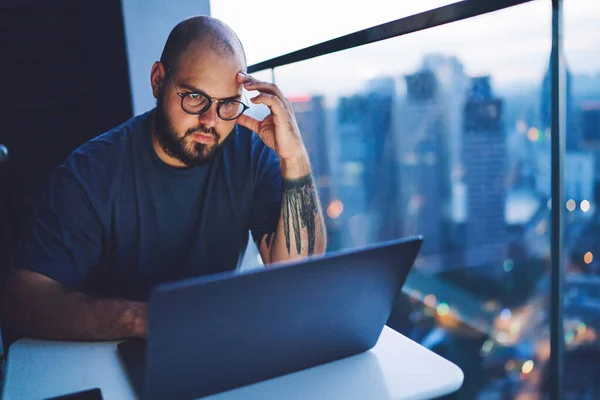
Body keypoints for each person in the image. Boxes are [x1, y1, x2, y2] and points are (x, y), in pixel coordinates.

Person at [1, 16, 326, 341]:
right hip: (108, 354)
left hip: (207, 344)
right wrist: (146, 319)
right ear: (158, 80)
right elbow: (23, 302)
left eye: (227, 104)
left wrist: (293, 156)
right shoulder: (89, 172)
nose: (210, 121)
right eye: (195, 97)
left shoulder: (251, 153)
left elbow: (295, 276)